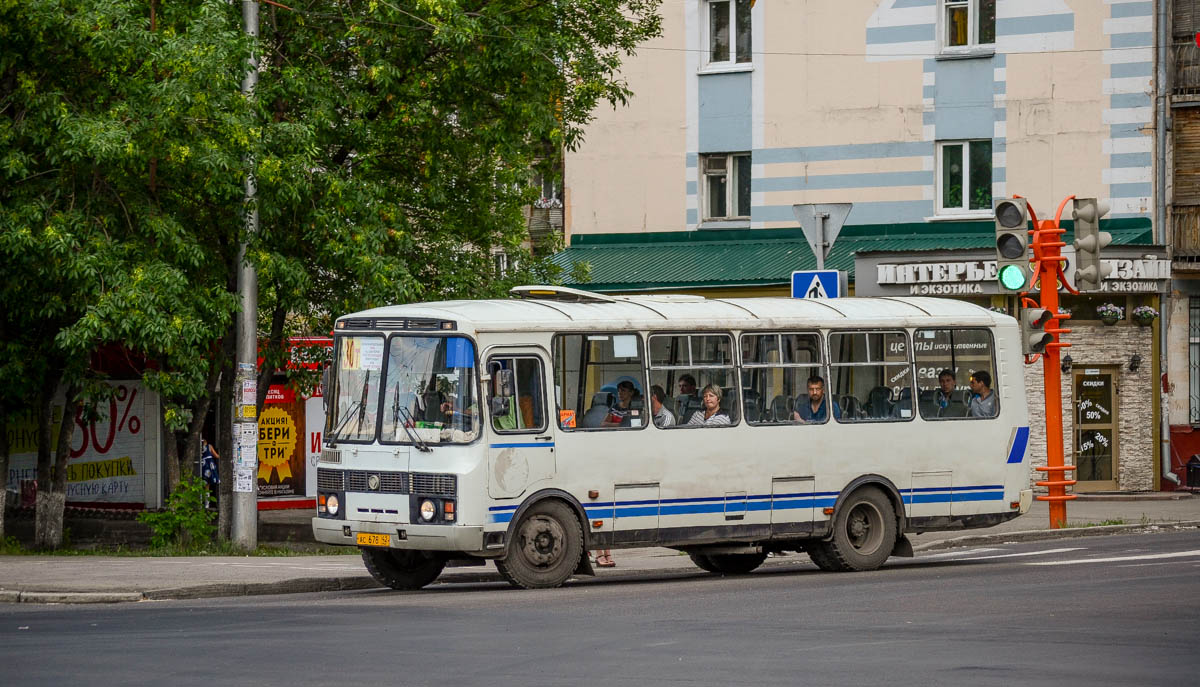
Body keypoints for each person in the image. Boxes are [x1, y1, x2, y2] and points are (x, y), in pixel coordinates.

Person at [200, 437, 219, 508]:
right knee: (207, 486)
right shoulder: (209, 446)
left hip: (202, 466)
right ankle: (207, 504)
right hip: (209, 467)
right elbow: (216, 456)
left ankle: (201, 502)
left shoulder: (199, 449)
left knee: (201, 485)